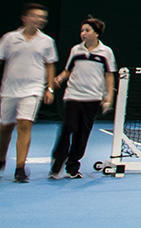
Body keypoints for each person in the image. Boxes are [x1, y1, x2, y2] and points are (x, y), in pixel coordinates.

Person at [0, 4, 58, 183]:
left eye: (43, 17)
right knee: (6, 128)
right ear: (25, 18)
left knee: (24, 125)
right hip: (9, 90)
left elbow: (50, 65)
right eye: (36, 16)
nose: (40, 20)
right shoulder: (9, 38)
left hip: (33, 90)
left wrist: (49, 88)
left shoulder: (47, 41)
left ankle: (20, 168)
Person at [48, 17, 116, 179]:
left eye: (87, 30)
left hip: (92, 99)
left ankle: (72, 167)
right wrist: (58, 79)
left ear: (97, 33)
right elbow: (68, 70)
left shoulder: (106, 52)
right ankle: (58, 163)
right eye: (82, 30)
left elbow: (109, 76)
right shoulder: (76, 50)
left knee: (82, 133)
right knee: (68, 128)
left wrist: (109, 97)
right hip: (73, 96)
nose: (83, 34)